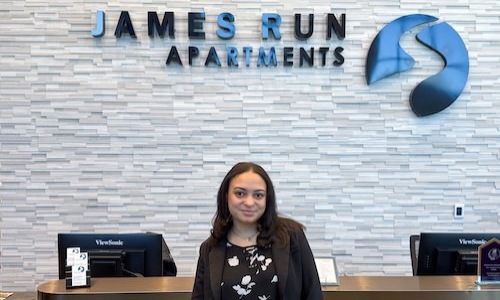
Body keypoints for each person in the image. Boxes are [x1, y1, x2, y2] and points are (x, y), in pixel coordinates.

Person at [192, 162, 323, 300]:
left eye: (258, 195)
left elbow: (313, 293)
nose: (249, 202)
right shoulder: (210, 248)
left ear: (267, 198)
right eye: (240, 193)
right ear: (226, 196)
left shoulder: (291, 236)